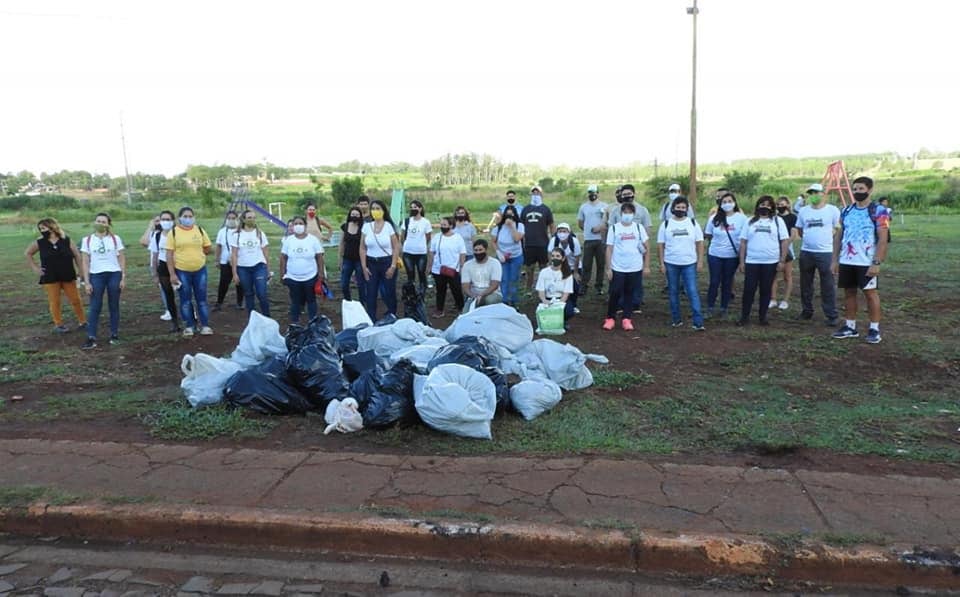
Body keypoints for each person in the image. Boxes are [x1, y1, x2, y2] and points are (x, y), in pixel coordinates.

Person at [832, 176, 889, 344]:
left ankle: (874, 329)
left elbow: (883, 238)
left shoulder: (880, 211)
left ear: (870, 190)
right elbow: (839, 236)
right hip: (847, 260)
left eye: (861, 189)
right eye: (855, 189)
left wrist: (876, 262)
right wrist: (834, 259)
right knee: (849, 292)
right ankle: (850, 326)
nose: (857, 192)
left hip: (866, 261)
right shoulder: (846, 211)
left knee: (870, 294)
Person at [25, 217, 87, 334]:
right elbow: (28, 253)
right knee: (55, 301)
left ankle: (83, 322)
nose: (42, 231)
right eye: (40, 229)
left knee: (75, 299)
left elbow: (77, 255)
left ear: (52, 227)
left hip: (67, 274)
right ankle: (58, 324)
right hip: (50, 276)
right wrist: (35, 268)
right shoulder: (39, 242)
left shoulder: (66, 240)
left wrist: (81, 270)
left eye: (44, 228)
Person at [737, 196, 790, 326]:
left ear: (772, 207)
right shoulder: (749, 221)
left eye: (768, 205)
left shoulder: (778, 221)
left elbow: (784, 241)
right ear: (757, 206)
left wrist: (782, 261)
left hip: (770, 262)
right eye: (762, 204)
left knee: (766, 290)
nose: (764, 207)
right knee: (749, 289)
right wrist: (742, 261)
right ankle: (744, 317)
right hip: (752, 261)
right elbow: (743, 242)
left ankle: (762, 317)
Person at [657, 196, 705, 330]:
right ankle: (676, 319)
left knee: (692, 291)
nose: (680, 209)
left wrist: (700, 261)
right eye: (678, 207)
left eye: (683, 207)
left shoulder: (693, 223)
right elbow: (660, 245)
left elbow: (700, 243)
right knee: (673, 291)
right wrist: (661, 264)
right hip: (671, 263)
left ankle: (698, 321)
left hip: (689, 263)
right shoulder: (666, 224)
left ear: (687, 209)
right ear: (673, 208)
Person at [795, 186, 841, 326]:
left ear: (823, 194)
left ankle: (831, 314)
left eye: (816, 192)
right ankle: (807, 311)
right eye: (811, 193)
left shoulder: (832, 210)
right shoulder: (803, 211)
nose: (814, 195)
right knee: (805, 283)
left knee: (827, 284)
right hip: (806, 252)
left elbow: (838, 229)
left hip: (826, 252)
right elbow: (800, 229)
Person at [80, 212, 126, 348]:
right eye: (98, 221)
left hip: (114, 274)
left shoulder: (115, 239)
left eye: (103, 222)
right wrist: (87, 282)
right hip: (96, 275)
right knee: (95, 306)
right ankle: (91, 336)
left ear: (108, 224)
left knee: (114, 305)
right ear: (94, 223)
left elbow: (121, 258)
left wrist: (123, 277)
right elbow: (85, 261)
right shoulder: (87, 240)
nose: (100, 224)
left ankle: (114, 334)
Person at [166, 206, 213, 337]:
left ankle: (205, 325)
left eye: (190, 216)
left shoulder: (199, 230)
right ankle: (189, 326)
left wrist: (198, 255)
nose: (188, 219)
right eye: (185, 216)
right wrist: (172, 274)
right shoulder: (173, 233)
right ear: (180, 218)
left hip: (200, 270)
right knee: (185, 300)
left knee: (202, 299)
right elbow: (169, 255)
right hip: (182, 271)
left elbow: (208, 247)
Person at [603, 202, 649, 331]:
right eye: (625, 212)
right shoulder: (614, 228)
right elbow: (609, 249)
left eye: (630, 212)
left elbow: (646, 247)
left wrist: (646, 266)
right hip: (618, 267)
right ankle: (610, 318)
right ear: (621, 214)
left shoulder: (639, 228)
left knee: (630, 292)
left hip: (634, 267)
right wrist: (609, 268)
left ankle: (626, 318)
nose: (627, 215)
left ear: (633, 214)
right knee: (615, 292)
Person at [608, 184, 652, 307]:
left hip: (638, 248)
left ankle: (636, 302)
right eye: (624, 195)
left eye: (629, 194)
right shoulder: (615, 211)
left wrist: (645, 246)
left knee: (636, 277)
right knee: (619, 277)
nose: (627, 196)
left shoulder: (642, 210)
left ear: (634, 194)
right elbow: (611, 227)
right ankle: (619, 303)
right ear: (620, 196)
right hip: (620, 249)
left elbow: (647, 228)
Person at [703, 192, 747, 318]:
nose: (727, 204)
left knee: (727, 282)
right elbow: (708, 234)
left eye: (730, 201)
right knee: (714, 281)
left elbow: (744, 237)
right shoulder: (714, 218)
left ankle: (724, 308)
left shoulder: (742, 218)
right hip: (715, 254)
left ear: (734, 203)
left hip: (732, 256)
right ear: (720, 204)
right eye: (724, 202)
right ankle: (710, 307)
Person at [359, 199, 401, 320]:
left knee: (389, 292)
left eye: (378, 208)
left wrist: (393, 266)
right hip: (371, 263)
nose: (375, 211)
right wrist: (364, 267)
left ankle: (392, 316)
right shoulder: (366, 227)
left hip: (387, 262)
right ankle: (371, 318)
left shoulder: (388, 226)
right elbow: (362, 248)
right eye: (373, 209)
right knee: (371, 293)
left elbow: (396, 246)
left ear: (383, 211)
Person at [280, 215, 324, 324]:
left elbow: (319, 257)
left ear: (305, 225)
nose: (298, 226)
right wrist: (282, 274)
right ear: (292, 226)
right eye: (295, 224)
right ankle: (295, 323)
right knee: (295, 301)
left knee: (311, 300)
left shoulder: (313, 240)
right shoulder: (288, 240)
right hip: (293, 277)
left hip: (310, 276)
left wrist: (321, 273)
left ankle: (313, 323)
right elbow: (283, 258)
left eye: (300, 223)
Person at [230, 209, 271, 318]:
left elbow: (265, 252)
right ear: (243, 219)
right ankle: (252, 320)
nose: (252, 220)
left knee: (262, 293)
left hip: (259, 266)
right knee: (248, 294)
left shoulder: (260, 234)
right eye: (249, 218)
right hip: (243, 268)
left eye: (253, 217)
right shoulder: (236, 235)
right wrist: (234, 273)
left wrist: (268, 269)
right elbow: (234, 254)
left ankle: (267, 318)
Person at [427, 216, 466, 316]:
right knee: (440, 290)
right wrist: (429, 266)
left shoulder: (458, 238)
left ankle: (461, 307)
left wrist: (461, 267)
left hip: (454, 269)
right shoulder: (437, 237)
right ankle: (439, 310)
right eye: (441, 225)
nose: (442, 226)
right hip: (438, 269)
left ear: (451, 226)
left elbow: (462, 253)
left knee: (456, 289)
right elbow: (431, 252)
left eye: (445, 225)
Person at [149, 210, 181, 333]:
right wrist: (154, 273)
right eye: (163, 219)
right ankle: (175, 322)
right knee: (168, 295)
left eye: (168, 219)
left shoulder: (177, 234)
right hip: (163, 266)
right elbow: (155, 255)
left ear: (173, 221)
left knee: (184, 293)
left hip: (178, 265)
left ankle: (190, 318)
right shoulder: (157, 236)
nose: (165, 222)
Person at [521, 185, 555, 292]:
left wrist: (554, 240)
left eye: (538, 192)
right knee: (529, 269)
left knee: (543, 268)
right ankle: (528, 289)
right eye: (533, 192)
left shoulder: (546, 209)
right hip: (529, 244)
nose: (536, 194)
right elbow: (521, 226)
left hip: (543, 244)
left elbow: (551, 225)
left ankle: (544, 289)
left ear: (541, 194)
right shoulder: (525, 209)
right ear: (531, 194)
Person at [490, 204, 525, 306]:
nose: (509, 218)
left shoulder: (520, 226)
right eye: (507, 215)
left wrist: (512, 227)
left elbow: (517, 239)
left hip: (516, 256)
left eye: (511, 216)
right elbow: (493, 241)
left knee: (514, 279)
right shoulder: (498, 228)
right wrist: (498, 253)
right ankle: (504, 301)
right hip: (503, 257)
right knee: (504, 279)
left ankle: (514, 302)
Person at [139, 214, 172, 321]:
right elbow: (144, 242)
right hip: (157, 265)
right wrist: (150, 227)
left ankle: (190, 310)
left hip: (172, 264)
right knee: (164, 288)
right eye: (157, 221)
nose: (159, 223)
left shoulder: (172, 233)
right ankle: (169, 310)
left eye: (161, 220)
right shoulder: (154, 234)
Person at [577, 184, 608, 296]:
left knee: (601, 264)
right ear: (588, 194)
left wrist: (599, 228)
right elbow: (580, 222)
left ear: (598, 193)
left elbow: (608, 222)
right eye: (590, 192)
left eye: (594, 192)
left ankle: (599, 286)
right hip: (588, 240)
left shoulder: (605, 206)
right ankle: (584, 286)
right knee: (586, 264)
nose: (592, 194)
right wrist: (587, 229)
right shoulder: (583, 207)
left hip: (601, 240)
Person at [770, 196, 798, 310]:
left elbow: (793, 235)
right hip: (775, 248)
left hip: (787, 249)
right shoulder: (774, 218)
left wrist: (784, 245)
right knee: (774, 275)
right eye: (778, 204)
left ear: (787, 204)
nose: (780, 206)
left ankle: (785, 300)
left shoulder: (792, 217)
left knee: (787, 275)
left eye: (782, 204)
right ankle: (773, 299)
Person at [547, 222, 581, 315]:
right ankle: (559, 302)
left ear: (569, 232)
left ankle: (573, 305)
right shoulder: (554, 240)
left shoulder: (574, 241)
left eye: (564, 231)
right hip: (559, 266)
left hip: (572, 266)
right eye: (560, 231)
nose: (562, 233)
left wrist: (576, 273)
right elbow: (550, 254)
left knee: (575, 286)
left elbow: (577, 257)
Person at [536, 248, 576, 326]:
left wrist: (559, 304)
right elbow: (540, 290)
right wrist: (544, 300)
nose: (555, 258)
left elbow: (566, 293)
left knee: (569, 311)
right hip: (547, 299)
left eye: (558, 256)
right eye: (553, 256)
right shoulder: (544, 272)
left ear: (563, 258)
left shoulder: (568, 274)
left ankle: (562, 321)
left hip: (561, 299)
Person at [460, 239, 502, 309]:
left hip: (492, 293)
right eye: (476, 250)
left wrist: (482, 295)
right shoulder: (467, 265)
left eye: (480, 250)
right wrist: (473, 295)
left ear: (486, 250)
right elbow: (465, 285)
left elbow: (495, 284)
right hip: (473, 295)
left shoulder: (495, 263)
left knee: (490, 300)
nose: (478, 252)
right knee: (466, 314)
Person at [214, 211, 243, 311]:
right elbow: (218, 246)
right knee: (223, 282)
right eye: (229, 218)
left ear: (237, 219)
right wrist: (217, 260)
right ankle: (219, 302)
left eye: (233, 218)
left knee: (239, 282)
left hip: (239, 261)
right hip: (225, 261)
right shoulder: (222, 231)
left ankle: (240, 302)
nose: (231, 220)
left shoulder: (241, 231)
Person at [401, 199, 431, 293]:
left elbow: (428, 236)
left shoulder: (425, 222)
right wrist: (406, 244)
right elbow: (402, 235)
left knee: (421, 273)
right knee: (410, 273)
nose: (413, 209)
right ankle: (411, 292)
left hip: (421, 253)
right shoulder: (406, 221)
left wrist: (421, 244)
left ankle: (422, 292)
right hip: (408, 252)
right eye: (411, 207)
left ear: (420, 209)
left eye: (415, 207)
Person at [339, 206, 367, 303]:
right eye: (353, 214)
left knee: (361, 284)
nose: (354, 216)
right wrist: (340, 259)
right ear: (350, 215)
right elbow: (342, 243)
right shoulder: (345, 226)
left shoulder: (364, 227)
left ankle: (362, 303)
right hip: (347, 259)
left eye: (357, 214)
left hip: (360, 259)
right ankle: (348, 302)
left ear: (360, 216)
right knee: (344, 283)